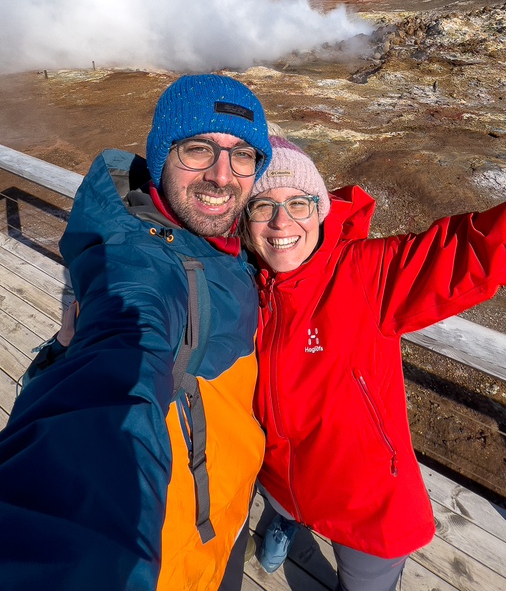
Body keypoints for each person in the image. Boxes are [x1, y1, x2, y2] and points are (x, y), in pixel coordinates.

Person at [0, 73, 271, 591]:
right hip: (169, 551)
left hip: (226, 508)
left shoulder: (220, 237)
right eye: (198, 148)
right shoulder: (139, 270)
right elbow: (116, 380)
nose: (222, 175)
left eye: (243, 156)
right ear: (159, 155)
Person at [243, 135, 506, 591]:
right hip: (278, 477)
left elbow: (468, 251)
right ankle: (285, 524)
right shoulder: (242, 281)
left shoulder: (366, 274)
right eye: (262, 205)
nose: (281, 221)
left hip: (367, 506)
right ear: (245, 221)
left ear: (321, 209)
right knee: (281, 504)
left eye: (299, 203)